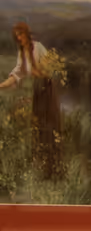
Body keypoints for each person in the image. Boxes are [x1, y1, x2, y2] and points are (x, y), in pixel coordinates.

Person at [0, 20, 61, 179]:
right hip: (37, 91)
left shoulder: (38, 47)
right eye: (16, 36)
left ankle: (53, 168)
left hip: (47, 89)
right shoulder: (22, 53)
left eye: (21, 34)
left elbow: (51, 68)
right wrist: (1, 86)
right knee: (38, 125)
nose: (19, 38)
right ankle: (40, 165)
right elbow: (17, 74)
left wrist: (40, 72)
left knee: (50, 125)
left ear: (27, 33)